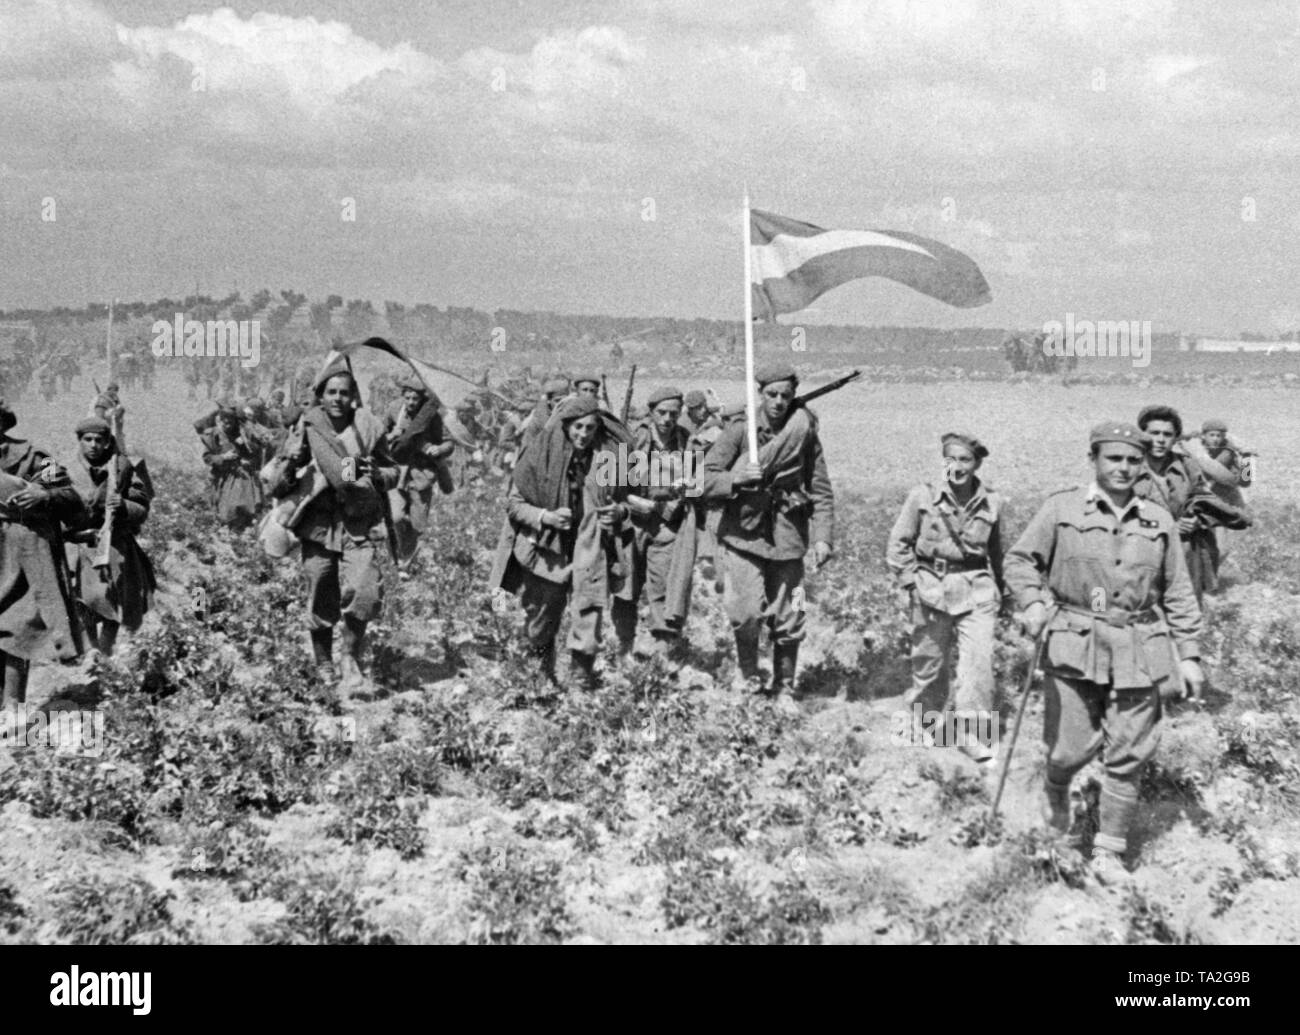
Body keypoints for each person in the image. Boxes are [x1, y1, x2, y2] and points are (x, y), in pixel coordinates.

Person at [1004, 421, 1204, 885]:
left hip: (1140, 646)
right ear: (1093, 459)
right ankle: (1056, 789)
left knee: (1129, 752)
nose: (1125, 468)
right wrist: (1033, 602)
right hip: (1074, 643)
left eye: (1134, 460)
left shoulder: (1159, 521)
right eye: (1114, 458)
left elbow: (1177, 590)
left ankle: (1109, 852)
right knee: (1068, 749)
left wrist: (1189, 653)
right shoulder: (1061, 508)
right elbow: (1019, 559)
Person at [700, 363, 834, 706]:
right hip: (743, 536)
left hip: (789, 539)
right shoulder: (739, 432)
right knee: (744, 612)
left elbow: (819, 489)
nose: (778, 401)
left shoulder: (803, 433)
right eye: (771, 394)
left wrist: (823, 538)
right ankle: (747, 677)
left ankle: (785, 685)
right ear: (760, 394)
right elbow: (700, 479)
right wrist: (737, 479)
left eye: (785, 396)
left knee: (792, 613)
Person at [268, 358, 400, 697]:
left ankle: (350, 656)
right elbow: (281, 483)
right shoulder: (308, 428)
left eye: (344, 392)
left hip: (359, 522)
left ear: (354, 395)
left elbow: (391, 472)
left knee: (365, 591)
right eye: (332, 392)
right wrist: (291, 459)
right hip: (319, 524)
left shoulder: (368, 428)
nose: (338, 398)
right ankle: (324, 659)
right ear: (322, 396)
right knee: (321, 589)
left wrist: (375, 475)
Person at [488, 395, 633, 691]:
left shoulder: (606, 457)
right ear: (566, 426)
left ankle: (580, 678)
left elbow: (625, 499)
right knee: (542, 616)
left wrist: (619, 512)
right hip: (548, 549)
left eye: (590, 428)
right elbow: (514, 504)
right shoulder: (541, 455)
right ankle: (541, 673)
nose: (583, 434)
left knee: (589, 610)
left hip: (590, 545)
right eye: (578, 427)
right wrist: (546, 517)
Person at [886, 433, 1006, 768]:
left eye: (964, 460)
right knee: (929, 664)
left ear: (976, 464)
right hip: (931, 588)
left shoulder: (992, 502)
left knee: (978, 666)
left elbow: (996, 552)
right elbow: (899, 543)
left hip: (977, 590)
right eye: (950, 459)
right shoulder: (922, 496)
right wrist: (910, 583)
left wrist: (1003, 591)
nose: (956, 467)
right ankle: (925, 722)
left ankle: (973, 737)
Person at [0, 401, 85, 709]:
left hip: (23, 549)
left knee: (18, 624)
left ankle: (12, 705)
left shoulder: (35, 457)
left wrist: (44, 495)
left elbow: (72, 498)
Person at [619, 386, 701, 669]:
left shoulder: (686, 441)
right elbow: (610, 486)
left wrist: (684, 491)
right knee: (626, 588)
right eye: (661, 413)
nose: (667, 419)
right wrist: (642, 503)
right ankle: (624, 649)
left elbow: (697, 483)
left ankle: (663, 651)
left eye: (673, 414)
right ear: (651, 412)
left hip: (666, 526)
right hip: (631, 522)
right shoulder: (632, 439)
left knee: (664, 588)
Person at [64, 417, 156, 656]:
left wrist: (124, 505)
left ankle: (104, 649)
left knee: (113, 601)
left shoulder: (122, 466)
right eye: (88, 439)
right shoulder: (62, 466)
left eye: (99, 440)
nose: (93, 445)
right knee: (81, 601)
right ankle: (90, 649)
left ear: (107, 442)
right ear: (80, 441)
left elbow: (142, 506)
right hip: (76, 544)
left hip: (113, 545)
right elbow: (45, 494)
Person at [1133, 404, 1217, 602]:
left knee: (1187, 608)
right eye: (1154, 433)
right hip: (1141, 551)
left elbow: (1206, 501)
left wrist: (1197, 519)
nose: (1160, 440)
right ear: (1142, 435)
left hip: (1184, 553)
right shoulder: (1129, 466)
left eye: (1167, 434)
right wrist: (1170, 527)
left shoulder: (1187, 465)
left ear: (1175, 438)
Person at [383, 373, 454, 563]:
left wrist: (438, 448)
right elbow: (380, 436)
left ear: (422, 398)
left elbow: (449, 443)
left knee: (418, 524)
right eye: (407, 397)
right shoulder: (394, 409)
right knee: (395, 517)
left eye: (415, 398)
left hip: (421, 474)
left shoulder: (432, 416)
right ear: (402, 396)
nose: (411, 402)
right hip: (397, 471)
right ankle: (399, 556)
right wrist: (391, 436)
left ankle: (407, 553)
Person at [199, 400, 267, 530]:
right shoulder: (213, 434)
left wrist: (248, 461)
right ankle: (228, 527)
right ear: (220, 419)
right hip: (221, 475)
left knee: (246, 504)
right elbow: (207, 458)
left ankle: (242, 527)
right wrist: (223, 457)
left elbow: (255, 454)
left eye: (230, 421)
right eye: (224, 420)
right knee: (227, 508)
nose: (227, 424)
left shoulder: (241, 435)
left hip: (241, 474)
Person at [92, 382, 126, 451]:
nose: (116, 392)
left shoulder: (111, 397)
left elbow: (118, 407)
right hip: (103, 413)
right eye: (115, 390)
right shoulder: (104, 398)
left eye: (117, 390)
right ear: (110, 389)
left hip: (108, 415)